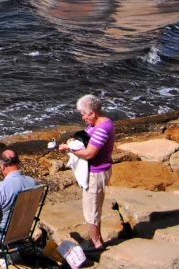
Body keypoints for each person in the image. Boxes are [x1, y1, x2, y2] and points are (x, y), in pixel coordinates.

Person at [58, 94, 114, 253]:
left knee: (91, 210)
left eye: (83, 113)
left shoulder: (102, 128)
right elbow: (87, 138)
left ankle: (96, 243)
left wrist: (69, 149)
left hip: (96, 174)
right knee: (94, 207)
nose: (82, 116)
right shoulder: (100, 123)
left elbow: (89, 153)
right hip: (99, 171)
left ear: (92, 113)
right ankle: (98, 238)